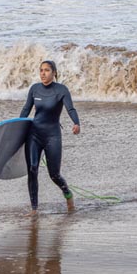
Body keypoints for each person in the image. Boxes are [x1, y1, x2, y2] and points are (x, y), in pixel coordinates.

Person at [19, 60, 81, 216]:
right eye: (41, 70)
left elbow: (70, 108)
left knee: (54, 174)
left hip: (52, 135)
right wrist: (17, 128)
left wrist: (76, 123)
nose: (43, 73)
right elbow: (26, 109)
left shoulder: (61, 90)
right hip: (33, 134)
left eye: (47, 70)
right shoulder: (34, 89)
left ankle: (67, 193)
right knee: (32, 169)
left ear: (54, 72)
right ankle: (34, 209)